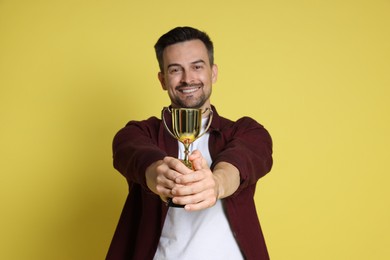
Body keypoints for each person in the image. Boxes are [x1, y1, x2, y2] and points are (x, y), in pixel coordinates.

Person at [106, 26, 273, 260]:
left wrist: (216, 183)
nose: (187, 79)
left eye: (197, 66)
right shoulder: (140, 132)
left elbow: (248, 156)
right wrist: (157, 173)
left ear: (213, 72)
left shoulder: (245, 131)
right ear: (163, 79)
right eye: (175, 70)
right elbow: (129, 150)